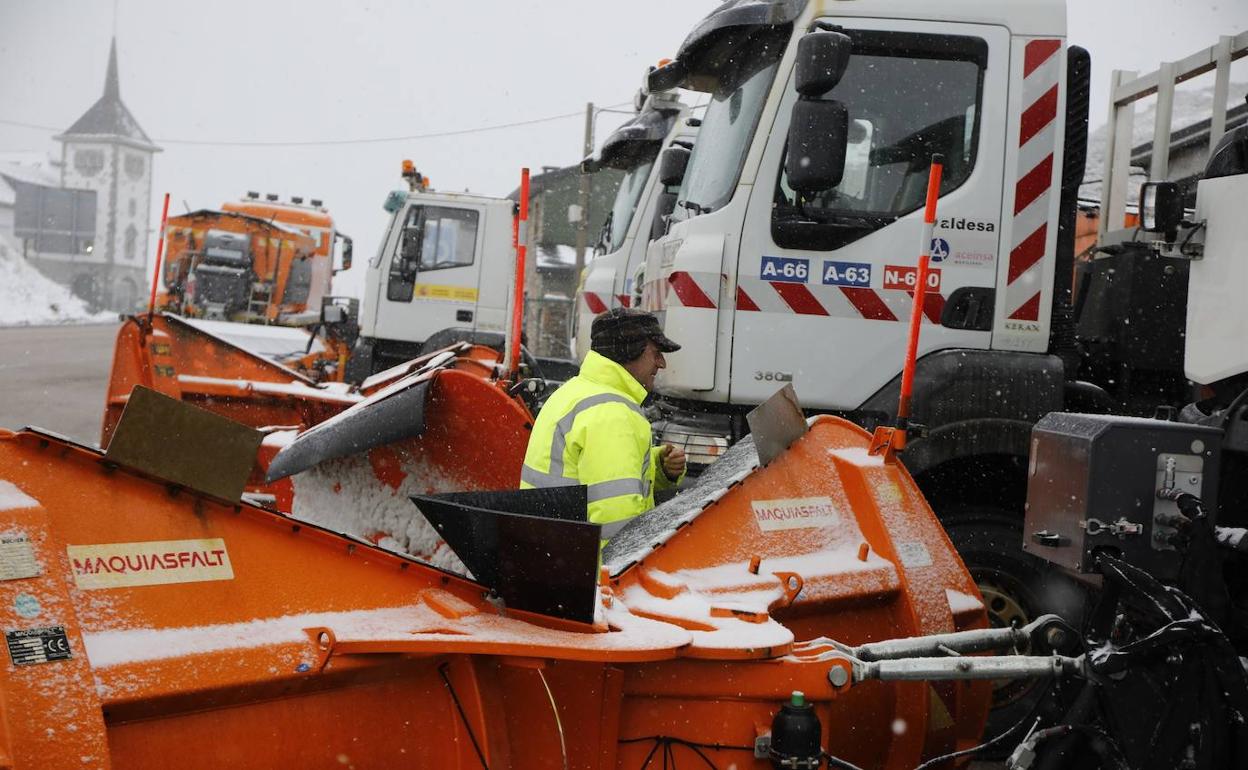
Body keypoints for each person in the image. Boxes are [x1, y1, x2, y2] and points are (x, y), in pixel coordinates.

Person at [520, 307, 687, 539]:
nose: (662, 363)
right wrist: (628, 572)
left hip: (552, 549)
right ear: (629, 351)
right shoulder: (612, 414)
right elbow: (617, 526)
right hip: (587, 568)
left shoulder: (576, 392)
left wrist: (659, 468)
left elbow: (590, 477)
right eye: (656, 352)